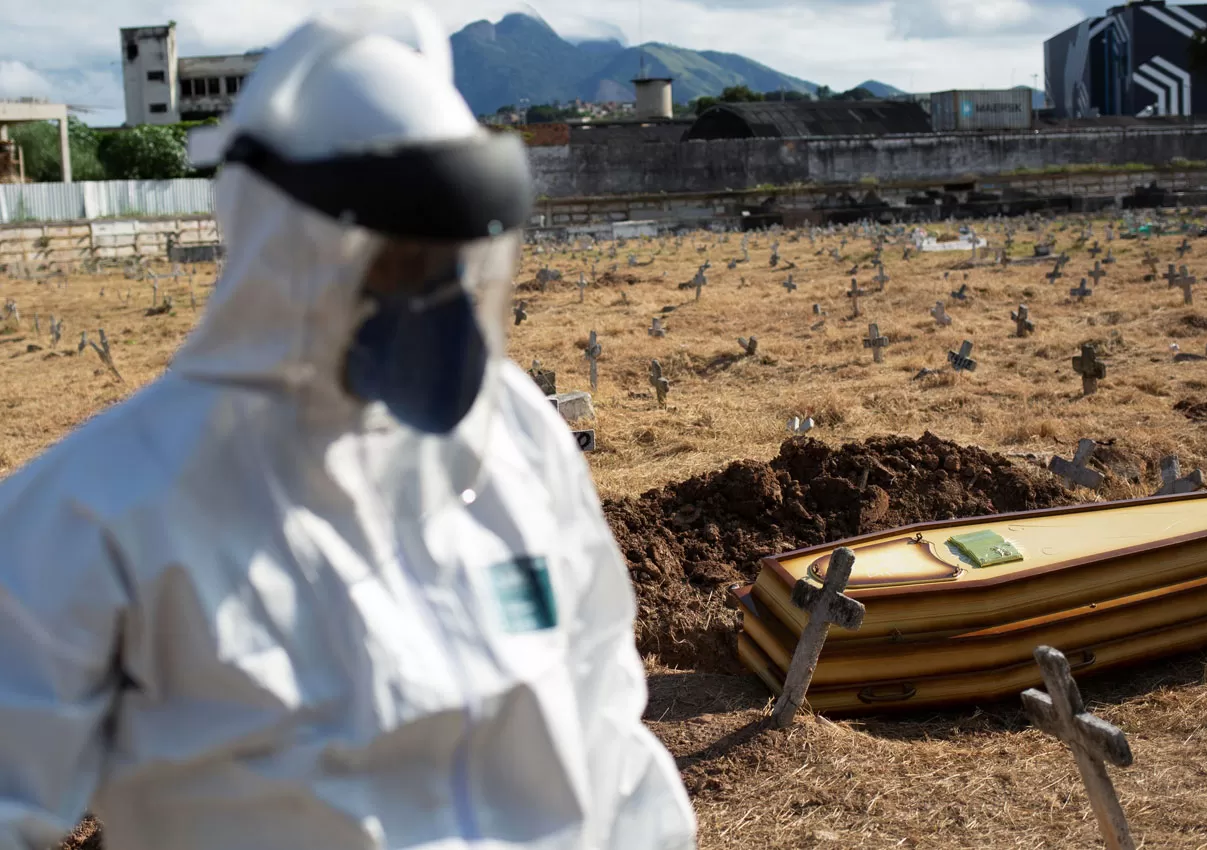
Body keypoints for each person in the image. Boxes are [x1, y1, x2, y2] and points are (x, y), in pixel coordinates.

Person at [0, 5, 697, 849]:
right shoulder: (98, 514)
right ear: (282, 245)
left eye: (454, 259)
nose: (435, 294)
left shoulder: (514, 437)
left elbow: (605, 721)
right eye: (396, 257)